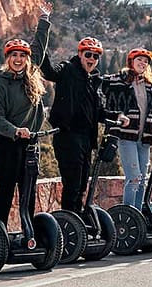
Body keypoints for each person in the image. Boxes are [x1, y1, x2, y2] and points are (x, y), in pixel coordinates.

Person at [0, 4, 51, 226]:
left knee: (28, 190)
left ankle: (29, 234)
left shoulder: (31, 75)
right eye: (14, 55)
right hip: (8, 143)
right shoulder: (0, 84)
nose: (18, 59)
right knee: (6, 189)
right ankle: (0, 232)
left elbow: (39, 48)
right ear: (8, 58)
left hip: (30, 143)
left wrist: (44, 19)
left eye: (22, 56)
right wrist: (15, 131)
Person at [102, 48, 152, 208]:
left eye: (146, 61)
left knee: (142, 180)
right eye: (139, 60)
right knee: (133, 178)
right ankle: (127, 215)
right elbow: (100, 87)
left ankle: (137, 217)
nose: (143, 63)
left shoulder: (151, 86)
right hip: (126, 136)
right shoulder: (119, 80)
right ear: (131, 61)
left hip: (145, 138)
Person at [40, 35, 106, 214]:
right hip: (68, 136)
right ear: (80, 54)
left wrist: (118, 117)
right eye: (88, 54)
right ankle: (70, 225)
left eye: (95, 56)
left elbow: (99, 113)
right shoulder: (67, 69)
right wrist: (41, 37)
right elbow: (49, 71)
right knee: (73, 183)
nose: (91, 59)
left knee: (83, 183)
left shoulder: (94, 81)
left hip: (87, 139)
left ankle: (77, 223)